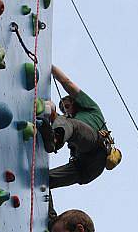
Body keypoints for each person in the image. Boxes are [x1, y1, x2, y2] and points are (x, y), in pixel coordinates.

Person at [40, 65, 122, 222]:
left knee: (71, 125)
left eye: (67, 104)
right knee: (43, 180)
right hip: (84, 169)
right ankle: (51, 220)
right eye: (63, 108)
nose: (65, 109)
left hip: (95, 147)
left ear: (76, 102)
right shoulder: (67, 120)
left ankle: (55, 139)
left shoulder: (90, 110)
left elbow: (67, 82)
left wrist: (49, 67)